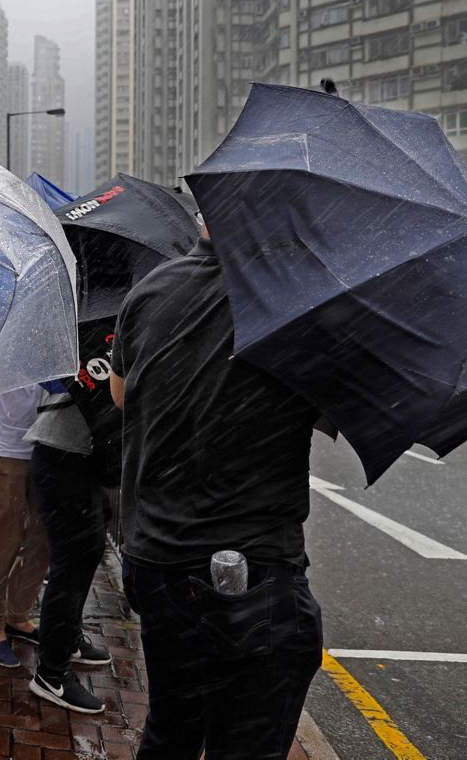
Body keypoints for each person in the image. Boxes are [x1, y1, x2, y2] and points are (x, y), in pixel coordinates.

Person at [108, 229, 323, 759]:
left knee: (171, 731)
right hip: (252, 570)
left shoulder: (155, 287)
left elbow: (121, 394)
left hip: (156, 557)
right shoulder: (297, 295)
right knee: (246, 744)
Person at [25, 388, 114, 715]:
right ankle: (52, 673)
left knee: (88, 552)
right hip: (62, 454)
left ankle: (69, 639)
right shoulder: (80, 341)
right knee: (72, 563)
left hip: (79, 455)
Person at [0, 386, 48, 668]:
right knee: (4, 538)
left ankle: (17, 613)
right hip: (4, 445)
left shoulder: (60, 342)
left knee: (42, 540)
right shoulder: (0, 341)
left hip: (46, 443)